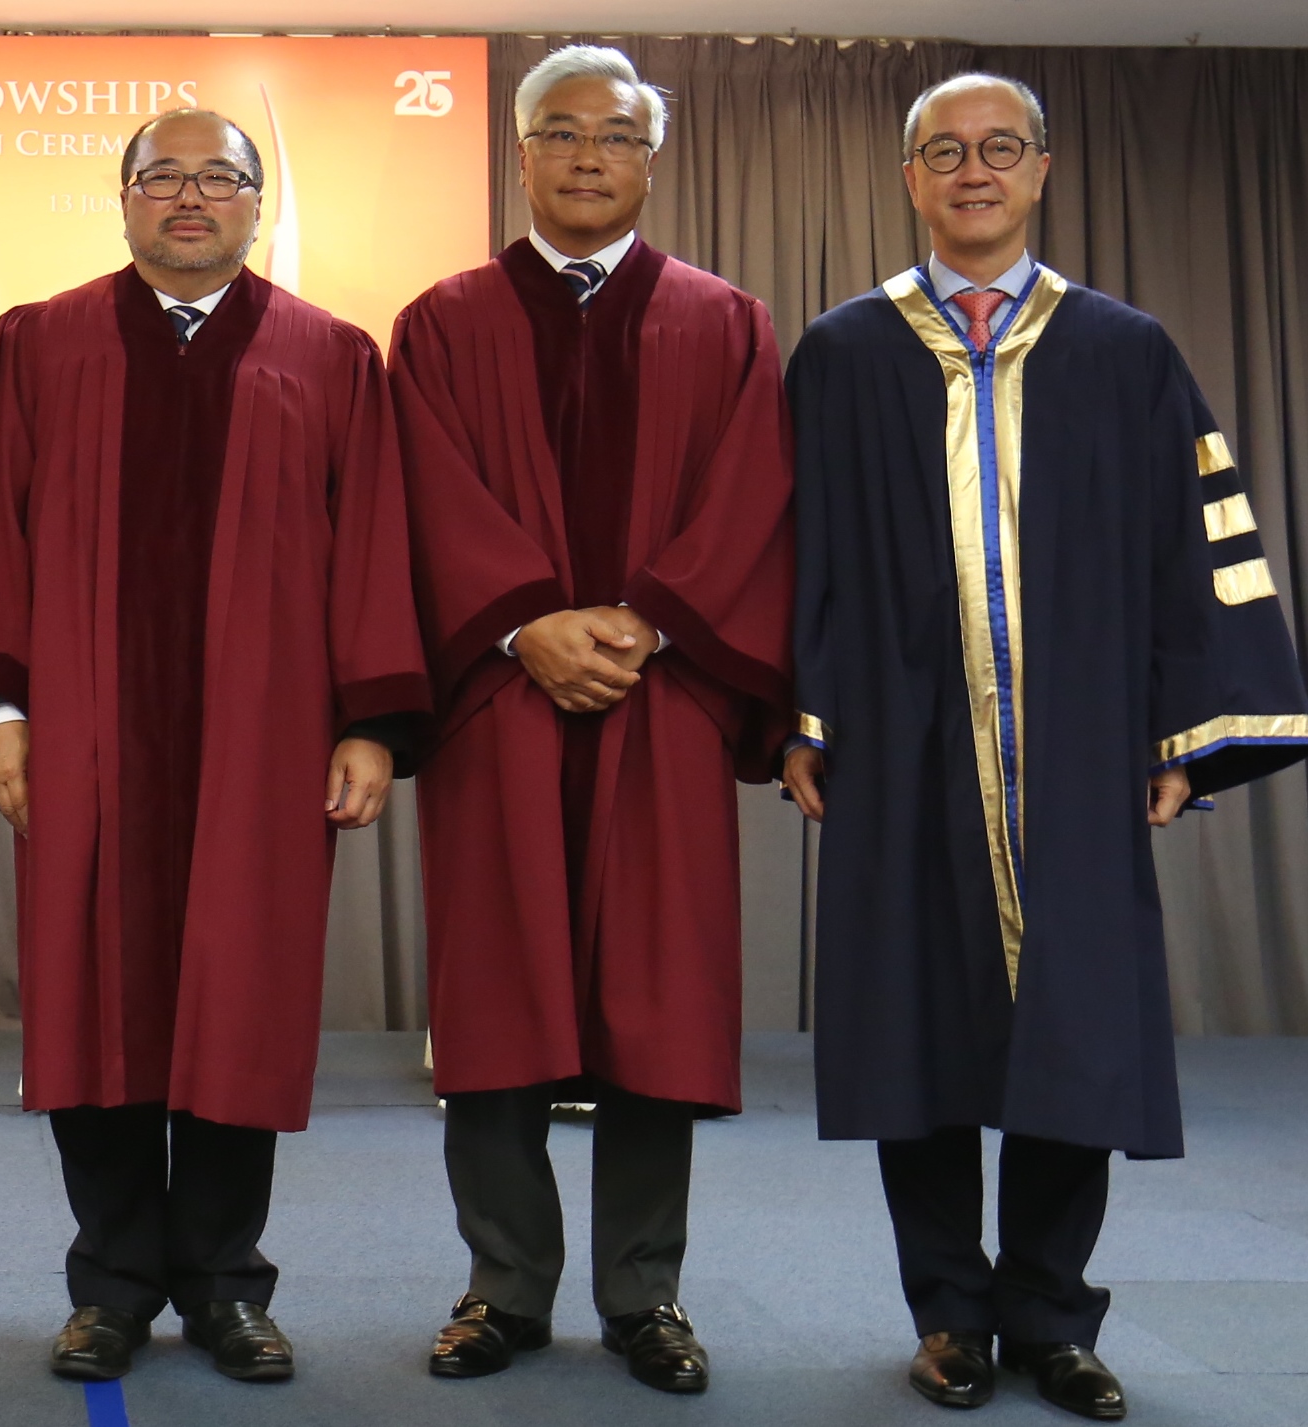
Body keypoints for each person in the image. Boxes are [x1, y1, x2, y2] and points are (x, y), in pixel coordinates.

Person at [785, 72, 1308, 1422]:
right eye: (946, 152)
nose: (975, 171)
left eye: (1000, 149)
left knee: (1074, 1031)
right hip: (904, 745)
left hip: (1079, 744)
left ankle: (1052, 1312)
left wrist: (1182, 735)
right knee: (919, 1025)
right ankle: (949, 1314)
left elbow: (1191, 553)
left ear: (1041, 170)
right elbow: (799, 556)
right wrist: (803, 711)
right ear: (912, 179)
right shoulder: (846, 351)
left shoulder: (1124, 349)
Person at [0, 107, 429, 1386]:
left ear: (256, 201)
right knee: (91, 999)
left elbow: (374, 545)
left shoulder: (330, 357)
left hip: (262, 746)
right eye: (161, 177)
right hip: (84, 736)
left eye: (217, 177)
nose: (188, 198)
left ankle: (223, 1282)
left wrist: (370, 724)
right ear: (120, 199)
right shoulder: (37, 344)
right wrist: (0, 713)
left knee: (239, 1006)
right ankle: (108, 1282)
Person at [386, 45, 794, 1395]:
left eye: (613, 135)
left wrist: (647, 621)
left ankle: (644, 1292)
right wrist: (527, 621)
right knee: (499, 1000)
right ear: (518, 153)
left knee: (654, 1004)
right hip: (503, 699)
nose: (584, 156)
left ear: (649, 160)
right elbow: (423, 494)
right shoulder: (441, 323)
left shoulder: (724, 321)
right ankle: (502, 1286)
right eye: (558, 133)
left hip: (660, 700)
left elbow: (751, 498)